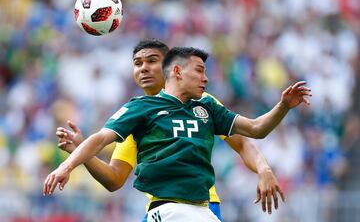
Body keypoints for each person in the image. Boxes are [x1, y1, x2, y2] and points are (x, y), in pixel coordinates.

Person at [44, 46, 311, 221]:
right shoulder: (138, 115)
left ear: (171, 68)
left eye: (152, 61)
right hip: (167, 208)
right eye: (138, 63)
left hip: (205, 207)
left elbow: (248, 137)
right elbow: (114, 179)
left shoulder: (205, 104)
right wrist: (76, 157)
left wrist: (264, 168)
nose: (144, 69)